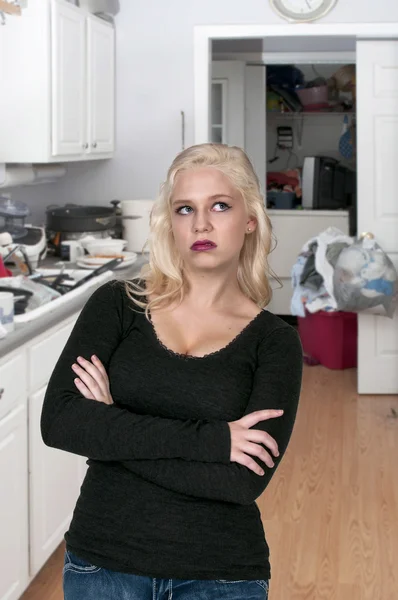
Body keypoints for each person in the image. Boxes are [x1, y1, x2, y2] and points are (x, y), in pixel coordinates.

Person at [41, 143, 303, 600]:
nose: (201, 224)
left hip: (219, 573)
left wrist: (111, 426)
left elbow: (241, 481)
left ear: (249, 220)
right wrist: (212, 441)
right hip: (103, 562)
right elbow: (60, 422)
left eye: (219, 205)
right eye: (185, 209)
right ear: (171, 222)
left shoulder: (275, 342)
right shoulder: (118, 305)